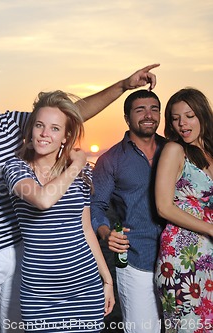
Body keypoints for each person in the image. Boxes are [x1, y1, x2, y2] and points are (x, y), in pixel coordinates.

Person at [0, 59, 159, 333]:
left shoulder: (12, 123)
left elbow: (69, 113)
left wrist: (123, 86)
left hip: (21, 250)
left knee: (17, 329)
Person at [2, 91, 115, 332]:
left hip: (85, 289)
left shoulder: (82, 176)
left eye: (55, 128)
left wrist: (107, 278)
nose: (45, 134)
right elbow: (43, 200)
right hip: (40, 296)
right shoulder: (15, 169)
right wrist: (77, 164)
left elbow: (86, 230)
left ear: (65, 136)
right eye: (40, 126)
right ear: (30, 130)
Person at [91, 89, 166, 332]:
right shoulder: (110, 159)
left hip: (177, 257)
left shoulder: (174, 150)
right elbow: (96, 206)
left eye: (154, 109)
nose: (149, 115)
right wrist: (105, 232)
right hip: (135, 260)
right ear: (127, 117)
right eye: (140, 109)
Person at [154, 88, 213, 332]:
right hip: (181, 257)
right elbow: (163, 207)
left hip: (209, 255)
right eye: (176, 118)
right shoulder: (174, 150)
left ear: (202, 115)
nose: (182, 124)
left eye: (189, 116)